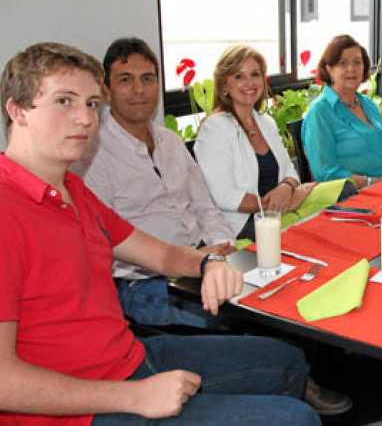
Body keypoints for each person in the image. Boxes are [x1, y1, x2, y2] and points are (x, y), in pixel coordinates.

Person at [0, 42, 318, 425]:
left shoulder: (72, 189)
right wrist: (135, 396)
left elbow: (163, 255)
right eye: (64, 101)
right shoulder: (7, 209)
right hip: (79, 409)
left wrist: (210, 262)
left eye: (91, 104)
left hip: (127, 357)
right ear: (17, 110)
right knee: (295, 419)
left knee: (287, 362)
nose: (85, 119)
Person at [74, 37, 235, 329]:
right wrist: (195, 261)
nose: (139, 90)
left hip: (200, 261)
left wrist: (222, 246)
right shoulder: (92, 155)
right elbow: (102, 247)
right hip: (145, 284)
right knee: (235, 323)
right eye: (126, 80)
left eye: (147, 79)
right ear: (106, 91)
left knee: (268, 298)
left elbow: (204, 206)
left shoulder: (170, 141)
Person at [195, 45, 319, 240]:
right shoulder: (215, 128)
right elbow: (224, 195)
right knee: (316, 231)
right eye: (239, 76)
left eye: (255, 74)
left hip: (282, 209)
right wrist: (275, 204)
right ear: (224, 85)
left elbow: (290, 170)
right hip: (246, 223)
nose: (249, 83)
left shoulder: (266, 122)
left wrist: (286, 188)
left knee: (344, 191)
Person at [302, 34, 382, 186]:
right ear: (329, 69)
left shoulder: (368, 104)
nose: (352, 69)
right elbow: (325, 173)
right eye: (343, 63)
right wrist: (370, 182)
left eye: (357, 62)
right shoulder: (319, 113)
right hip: (354, 194)